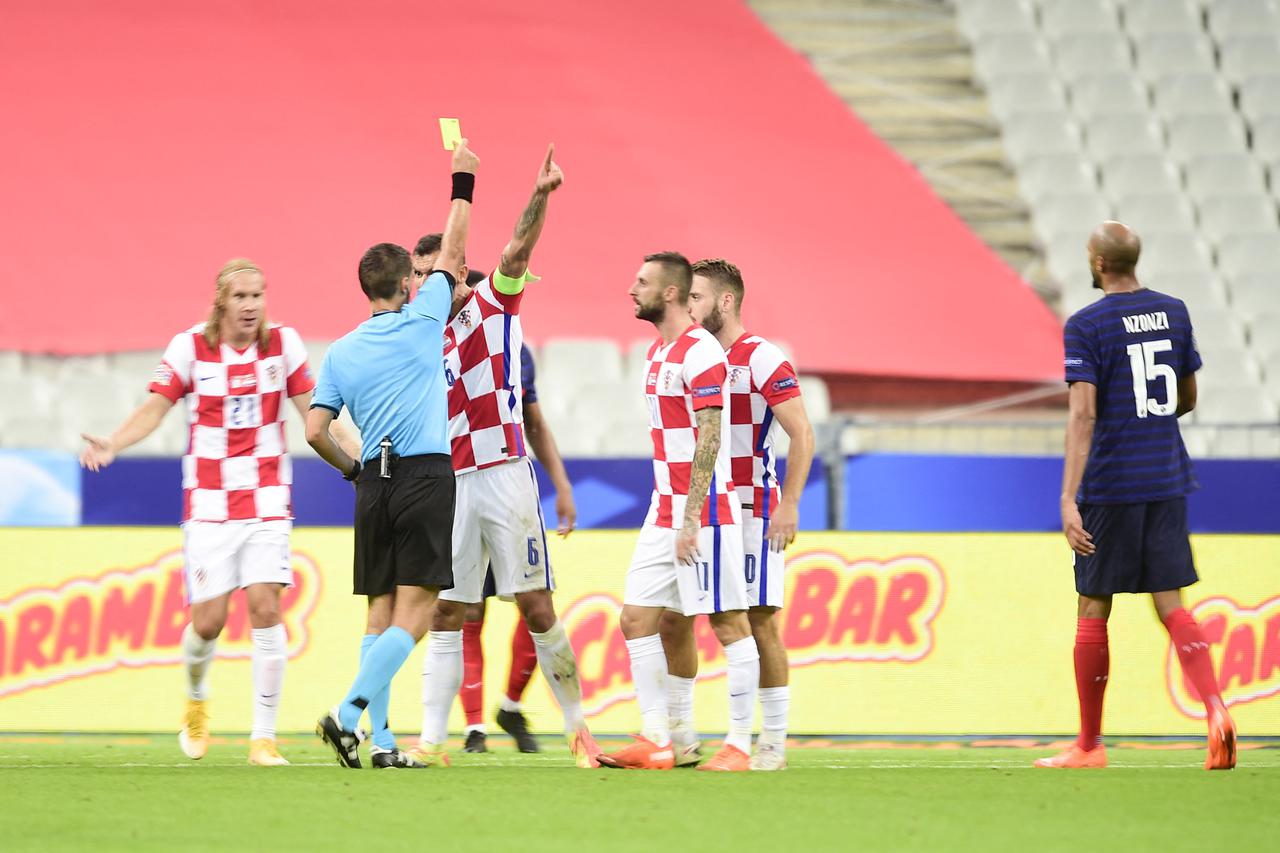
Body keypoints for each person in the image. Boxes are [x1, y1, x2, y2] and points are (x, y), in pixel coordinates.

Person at [80, 258, 327, 767]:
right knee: (209, 623)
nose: (251, 306)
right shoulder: (189, 347)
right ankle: (196, 699)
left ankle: (264, 737)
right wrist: (113, 442)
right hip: (210, 505)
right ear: (221, 302)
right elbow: (154, 407)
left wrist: (359, 457)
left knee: (265, 608)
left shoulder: (285, 345)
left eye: (258, 295)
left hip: (267, 501)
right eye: (241, 297)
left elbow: (313, 414)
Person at [410, 145, 601, 769]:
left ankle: (579, 730)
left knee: (536, 603)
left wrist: (540, 194)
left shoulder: (496, 302)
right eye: (421, 274)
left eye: (436, 270)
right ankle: (432, 741)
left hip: (504, 475)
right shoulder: (419, 332)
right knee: (448, 609)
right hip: (450, 483)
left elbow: (518, 248)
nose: (430, 281)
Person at [1036, 221, 1236, 771]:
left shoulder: (1086, 324)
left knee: (1093, 607)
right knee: (1171, 603)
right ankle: (1216, 710)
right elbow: (1187, 395)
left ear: (1098, 262)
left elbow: (1083, 413)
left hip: (1111, 483)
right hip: (1166, 477)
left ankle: (1089, 745)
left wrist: (1068, 498)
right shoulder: (1174, 311)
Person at [306, 139, 478, 769]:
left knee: (380, 611)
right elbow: (455, 254)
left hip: (372, 483)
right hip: (425, 476)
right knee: (421, 609)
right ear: (408, 283)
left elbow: (315, 429)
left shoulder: (341, 351)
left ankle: (380, 744)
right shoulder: (423, 319)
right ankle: (347, 715)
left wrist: (352, 469)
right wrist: (464, 179)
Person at [597, 252, 759, 772]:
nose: (631, 289)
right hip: (662, 507)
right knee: (637, 618)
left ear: (669, 292)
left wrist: (692, 516)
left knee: (728, 622)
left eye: (640, 281)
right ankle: (658, 739)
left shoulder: (702, 351)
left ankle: (738, 745)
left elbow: (711, 435)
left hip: (705, 509)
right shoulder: (656, 353)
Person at [659, 258, 814, 771]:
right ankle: (680, 736)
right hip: (702, 508)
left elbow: (803, 433)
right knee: (672, 617)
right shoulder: (688, 355)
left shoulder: (762, 358)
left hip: (752, 509)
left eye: (697, 297)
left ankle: (767, 742)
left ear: (726, 301)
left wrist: (788, 503)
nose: (688, 305)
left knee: (759, 621)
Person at [440, 335, 577, 755]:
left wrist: (562, 485)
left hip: (507, 486)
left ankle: (515, 707)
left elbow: (533, 421)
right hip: (459, 486)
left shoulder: (514, 350)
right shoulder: (435, 343)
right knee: (466, 608)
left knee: (535, 603)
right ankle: (473, 728)